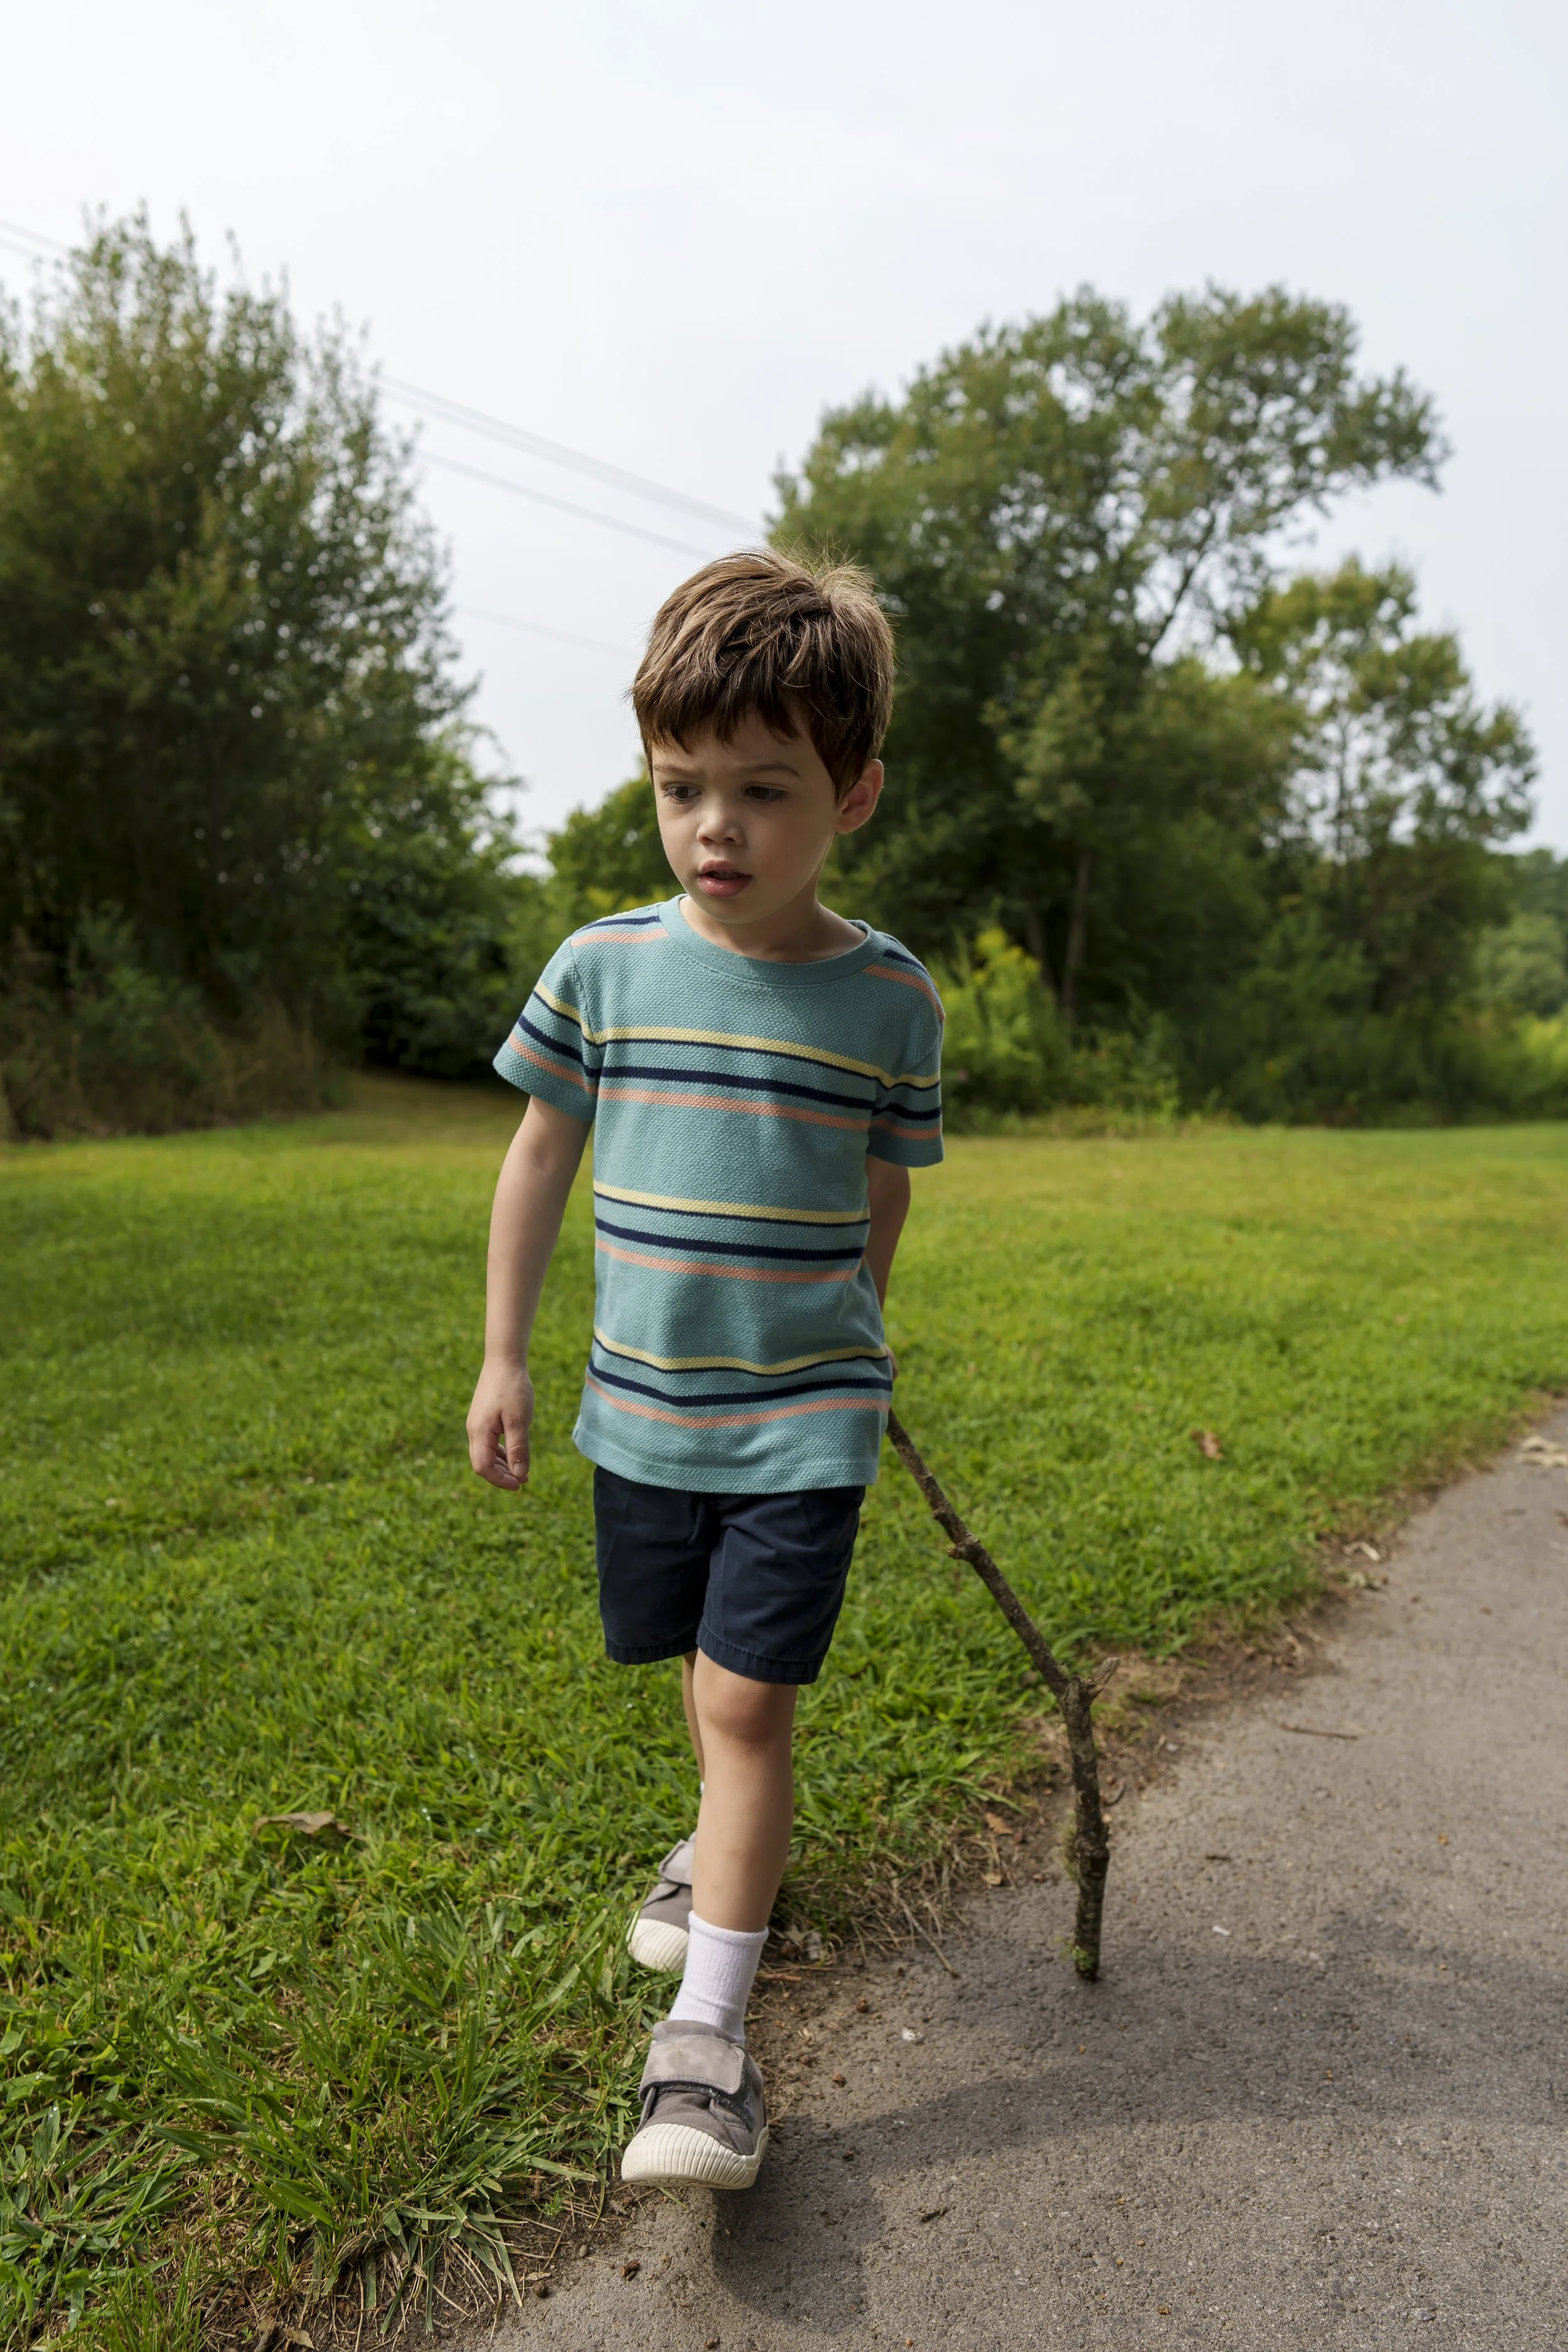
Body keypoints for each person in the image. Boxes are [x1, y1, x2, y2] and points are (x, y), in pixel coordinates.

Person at [465, 548, 943, 2190]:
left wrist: (859, 1327)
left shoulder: (887, 997)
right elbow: (538, 1157)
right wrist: (502, 1355)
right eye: (684, 787)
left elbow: (880, 1180)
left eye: (764, 787)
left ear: (853, 793)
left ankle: (710, 2047)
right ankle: (710, 1855)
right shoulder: (603, 967)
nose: (716, 826)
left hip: (807, 1416)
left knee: (748, 1698)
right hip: (642, 1409)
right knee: (694, 1664)